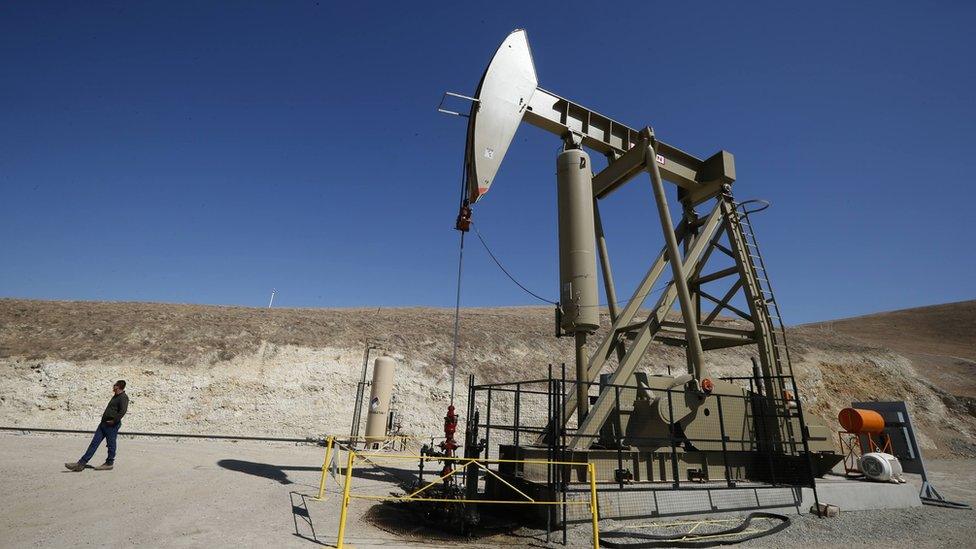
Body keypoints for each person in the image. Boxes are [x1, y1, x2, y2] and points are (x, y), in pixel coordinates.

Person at [65, 380, 129, 471]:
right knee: (94, 444)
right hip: (103, 424)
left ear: (118, 387)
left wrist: (114, 421)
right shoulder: (115, 396)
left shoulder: (123, 397)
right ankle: (81, 463)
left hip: (111, 425)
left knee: (111, 444)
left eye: (114, 385)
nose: (113, 386)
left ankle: (109, 463)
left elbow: (123, 411)